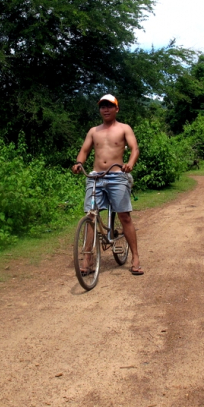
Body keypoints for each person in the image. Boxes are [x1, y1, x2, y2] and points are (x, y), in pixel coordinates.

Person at [71, 94, 143, 275]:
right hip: (95, 177)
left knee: (124, 216)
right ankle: (87, 260)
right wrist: (79, 163)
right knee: (91, 217)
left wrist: (130, 164)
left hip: (117, 176)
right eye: (103, 106)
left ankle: (135, 257)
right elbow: (84, 151)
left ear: (116, 109)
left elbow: (135, 149)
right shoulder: (93, 131)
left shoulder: (124, 128)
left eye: (109, 106)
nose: (106, 109)